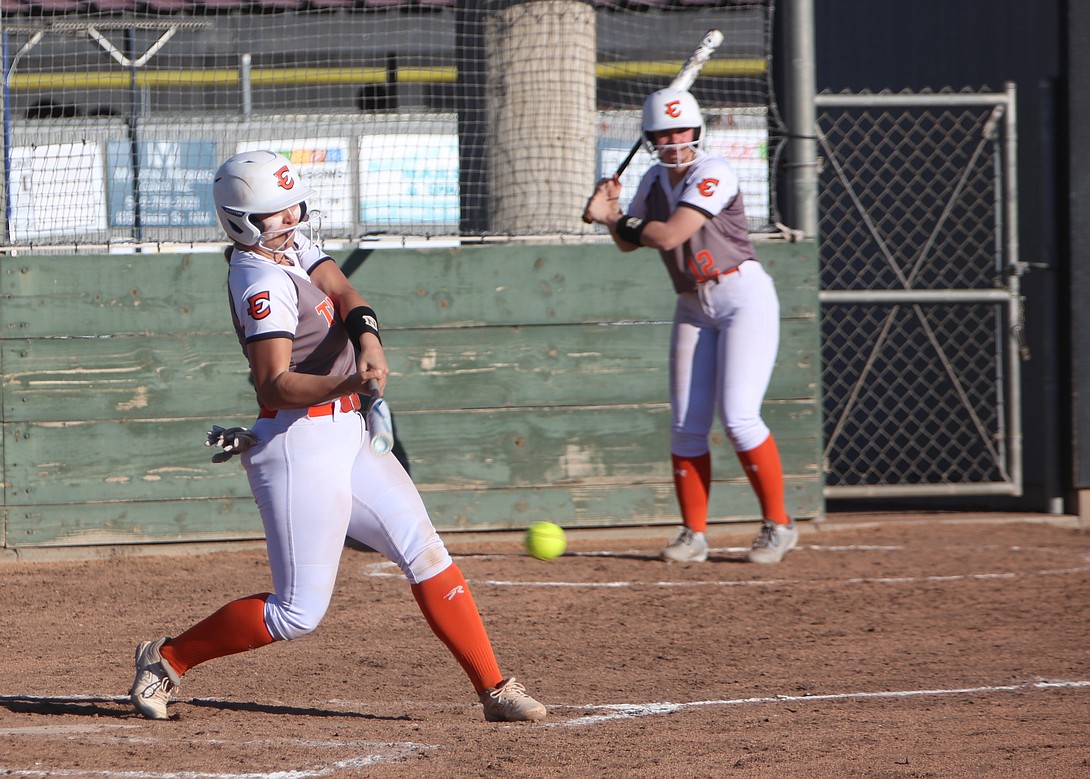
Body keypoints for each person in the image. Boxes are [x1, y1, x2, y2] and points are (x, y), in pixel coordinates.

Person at [129, 150, 546, 723]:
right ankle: (167, 659)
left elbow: (346, 294)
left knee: (425, 551)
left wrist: (368, 341)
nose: (292, 219)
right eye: (276, 214)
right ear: (240, 220)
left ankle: (494, 687)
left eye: (292, 206)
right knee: (297, 613)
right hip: (298, 444)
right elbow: (275, 385)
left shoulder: (289, 245)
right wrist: (350, 378)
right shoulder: (259, 275)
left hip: (345, 431)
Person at [584, 87, 798, 565]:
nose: (674, 139)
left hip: (743, 296)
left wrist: (614, 216)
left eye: (682, 130)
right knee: (685, 425)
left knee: (740, 417)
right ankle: (693, 534)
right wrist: (611, 217)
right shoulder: (654, 180)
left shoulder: (714, 172)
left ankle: (778, 524)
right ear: (651, 137)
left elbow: (667, 235)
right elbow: (627, 243)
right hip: (692, 302)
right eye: (663, 132)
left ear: (697, 131)